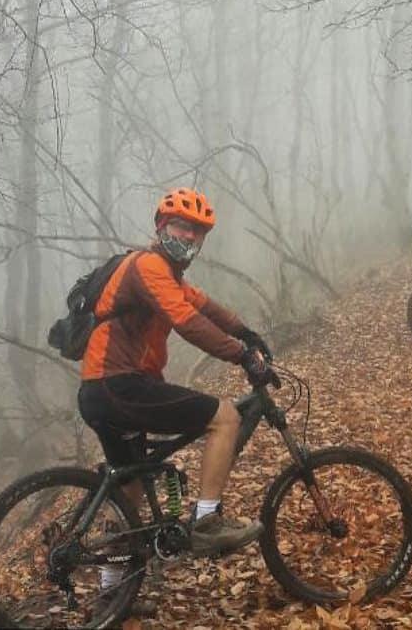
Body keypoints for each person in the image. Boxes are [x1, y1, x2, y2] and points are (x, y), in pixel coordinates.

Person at [78, 186, 275, 557]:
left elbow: (209, 308)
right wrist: (241, 355)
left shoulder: (170, 278)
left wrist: (247, 333)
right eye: (181, 226)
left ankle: (111, 594)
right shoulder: (146, 266)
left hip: (104, 391)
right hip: (118, 385)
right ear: (161, 226)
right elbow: (186, 321)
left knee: (130, 492)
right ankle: (206, 522)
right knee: (225, 417)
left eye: (197, 231)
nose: (188, 235)